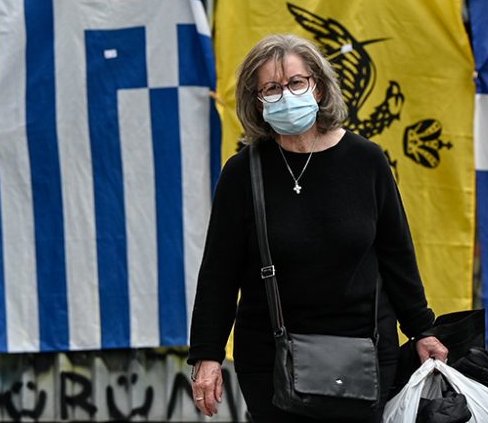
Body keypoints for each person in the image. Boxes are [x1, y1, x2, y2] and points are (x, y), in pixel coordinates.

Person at [188, 34, 448, 421]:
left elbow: (397, 256)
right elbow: (219, 274)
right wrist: (207, 355)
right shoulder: (243, 172)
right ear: (256, 102)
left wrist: (422, 329)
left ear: (319, 86)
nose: (286, 94)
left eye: (296, 83)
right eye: (271, 89)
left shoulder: (366, 160)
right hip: (272, 361)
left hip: (363, 354)